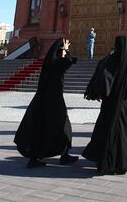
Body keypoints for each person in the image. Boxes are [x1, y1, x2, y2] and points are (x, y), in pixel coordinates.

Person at [14, 38, 78, 168]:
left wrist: (63, 50)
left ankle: (38, 157)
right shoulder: (56, 64)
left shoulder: (50, 63)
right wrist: (65, 50)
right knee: (63, 126)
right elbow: (69, 61)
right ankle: (63, 156)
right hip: (53, 100)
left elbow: (64, 62)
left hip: (45, 99)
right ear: (59, 52)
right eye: (62, 50)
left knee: (44, 127)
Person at [82, 36, 127, 174]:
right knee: (122, 133)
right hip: (123, 105)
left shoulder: (109, 60)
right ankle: (121, 161)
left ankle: (105, 159)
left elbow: (103, 78)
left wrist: (100, 93)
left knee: (106, 130)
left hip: (109, 104)